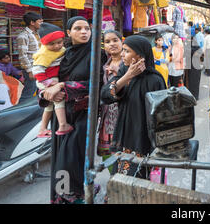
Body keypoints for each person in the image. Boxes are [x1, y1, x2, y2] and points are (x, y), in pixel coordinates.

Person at [42, 16, 107, 204]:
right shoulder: (63, 54)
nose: (84, 32)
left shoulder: (97, 53)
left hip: (84, 112)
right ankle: (63, 196)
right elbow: (46, 78)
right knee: (60, 155)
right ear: (68, 33)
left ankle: (79, 194)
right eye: (78, 28)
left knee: (71, 156)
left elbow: (96, 84)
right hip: (62, 111)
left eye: (87, 28)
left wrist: (63, 86)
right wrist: (49, 92)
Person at [100, 35, 166, 177]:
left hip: (142, 138)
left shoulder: (155, 80)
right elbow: (105, 96)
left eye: (127, 51)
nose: (122, 54)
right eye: (123, 50)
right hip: (124, 135)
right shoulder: (124, 71)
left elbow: (160, 116)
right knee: (120, 177)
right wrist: (127, 76)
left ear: (140, 55)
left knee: (137, 178)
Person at [33, 22, 72, 138]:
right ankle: (63, 125)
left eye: (59, 42)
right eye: (52, 44)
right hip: (46, 79)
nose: (56, 46)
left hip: (50, 79)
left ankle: (42, 128)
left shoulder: (60, 50)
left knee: (49, 106)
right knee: (58, 100)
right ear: (44, 44)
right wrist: (48, 84)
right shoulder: (44, 54)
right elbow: (37, 71)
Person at [97, 30, 122, 161]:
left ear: (121, 41)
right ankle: (114, 177)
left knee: (124, 154)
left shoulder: (129, 62)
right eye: (107, 42)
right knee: (108, 156)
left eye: (115, 40)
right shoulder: (104, 65)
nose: (111, 44)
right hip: (108, 115)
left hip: (124, 113)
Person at [17, 12, 43, 103]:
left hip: (38, 67)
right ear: (32, 22)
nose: (41, 24)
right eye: (39, 22)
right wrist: (30, 71)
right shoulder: (23, 36)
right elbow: (22, 56)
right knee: (28, 93)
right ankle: (19, 113)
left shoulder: (36, 34)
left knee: (36, 91)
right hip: (31, 68)